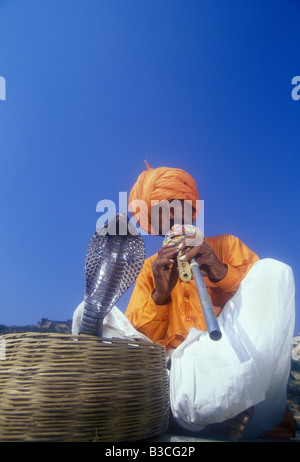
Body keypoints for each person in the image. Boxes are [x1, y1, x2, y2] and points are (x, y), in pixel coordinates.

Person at [125, 162, 296, 441]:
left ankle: (234, 406)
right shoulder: (149, 269)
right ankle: (204, 415)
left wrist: (221, 273)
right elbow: (140, 346)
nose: (169, 218)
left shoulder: (226, 246)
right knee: (91, 315)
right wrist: (160, 296)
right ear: (153, 226)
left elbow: (265, 316)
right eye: (159, 213)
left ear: (190, 210)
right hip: (184, 380)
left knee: (275, 272)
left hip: (241, 369)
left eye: (174, 208)